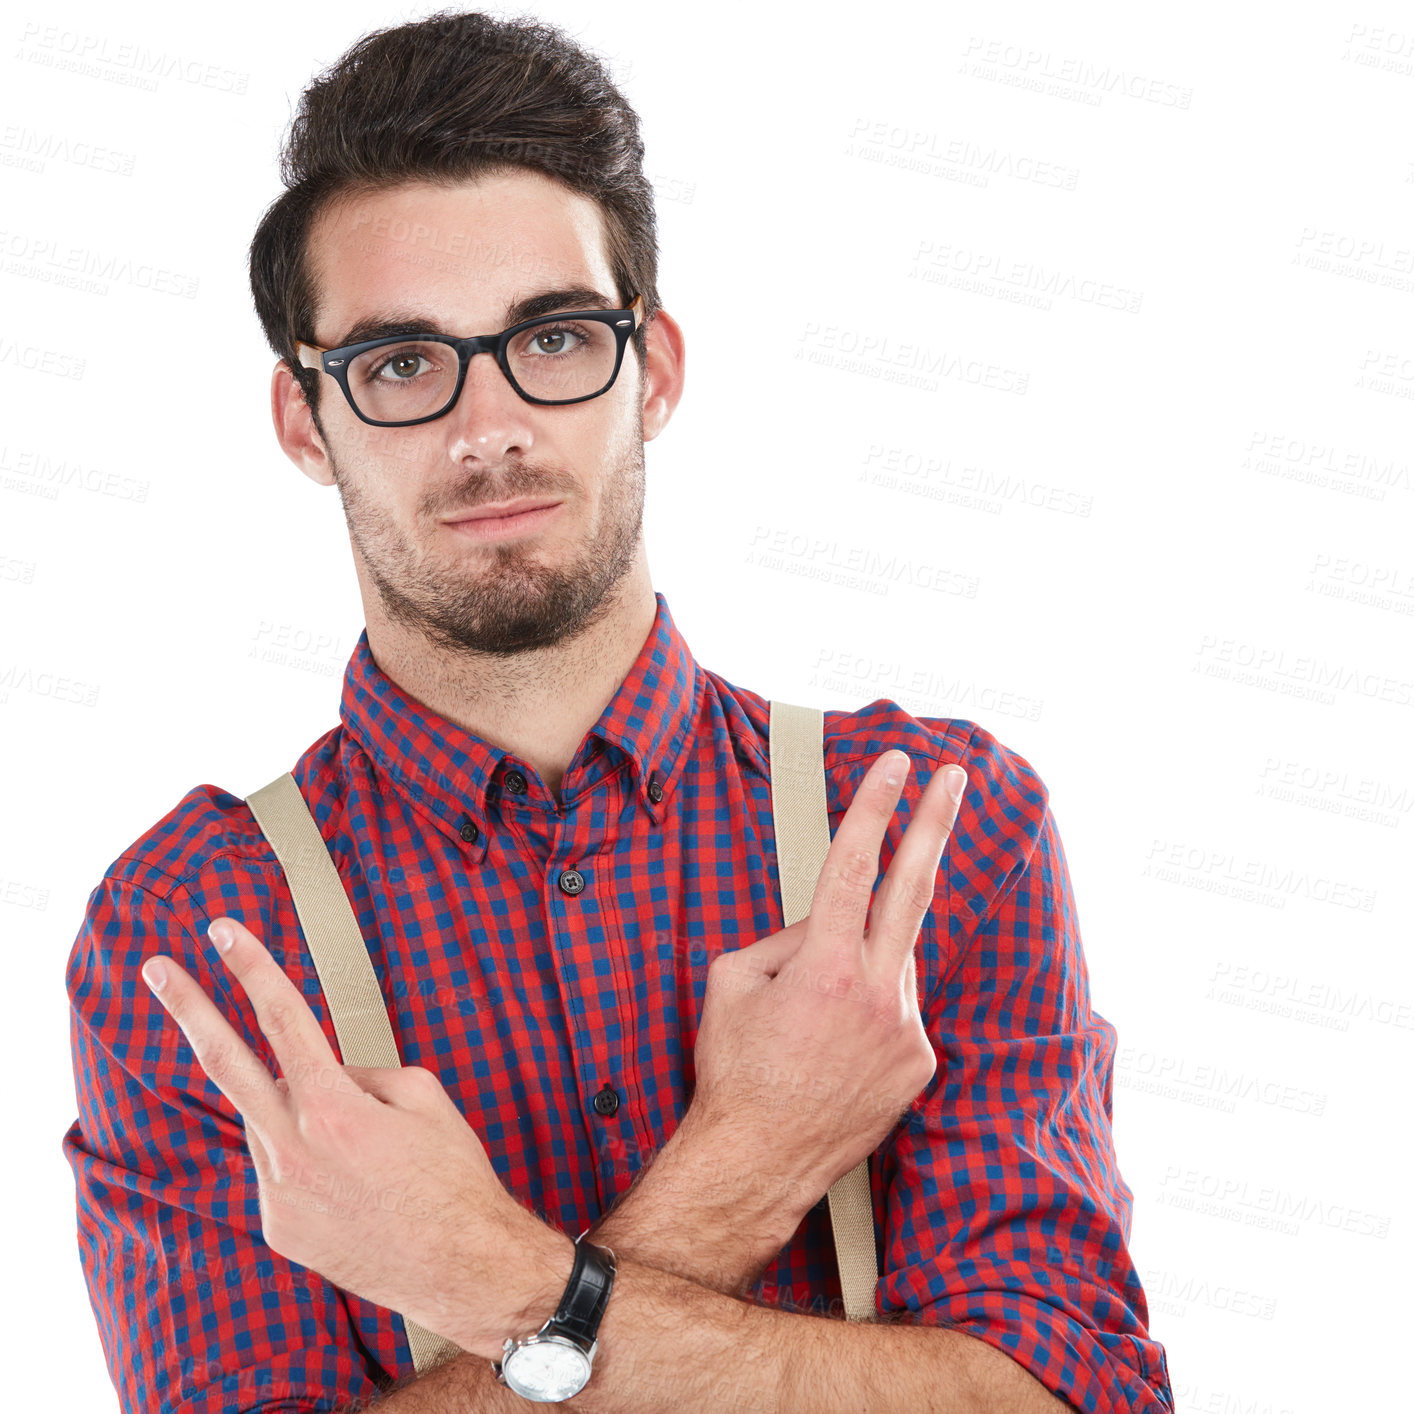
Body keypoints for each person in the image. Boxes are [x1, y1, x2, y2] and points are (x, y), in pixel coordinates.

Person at [62, 10, 1173, 1412]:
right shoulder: (198, 933)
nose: (488, 428)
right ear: (305, 420)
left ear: (650, 372)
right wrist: (749, 1164)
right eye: (402, 363)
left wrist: (498, 1280)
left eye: (556, 338)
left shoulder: (925, 828)